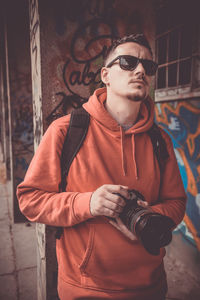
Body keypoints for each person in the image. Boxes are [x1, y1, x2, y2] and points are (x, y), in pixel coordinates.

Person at [17, 34, 186, 300]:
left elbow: (176, 202)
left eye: (148, 66)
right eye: (128, 62)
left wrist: (149, 216)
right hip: (86, 289)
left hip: (151, 286)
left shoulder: (159, 139)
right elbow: (30, 200)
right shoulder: (65, 131)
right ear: (106, 75)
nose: (141, 70)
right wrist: (88, 203)